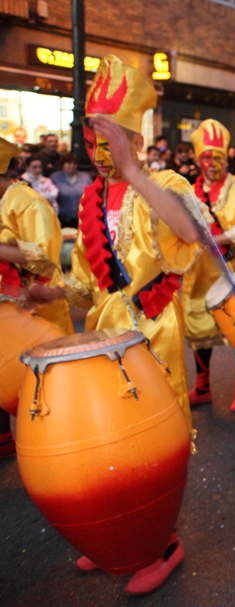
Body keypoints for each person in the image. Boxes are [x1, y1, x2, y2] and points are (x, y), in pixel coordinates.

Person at [26, 55, 207, 595]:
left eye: (113, 141)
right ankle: (125, 536)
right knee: (106, 439)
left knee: (152, 443)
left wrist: (134, 172)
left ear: (134, 138)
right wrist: (50, 291)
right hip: (105, 337)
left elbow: (190, 231)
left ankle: (163, 541)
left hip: (155, 332)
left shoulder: (164, 182)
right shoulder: (91, 199)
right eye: (94, 141)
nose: (102, 152)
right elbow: (87, 280)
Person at [183, 118, 235, 413]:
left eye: (216, 157)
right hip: (200, 273)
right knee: (198, 328)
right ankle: (203, 386)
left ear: (225, 159)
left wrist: (223, 237)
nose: (211, 163)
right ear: (198, 160)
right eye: (206, 157)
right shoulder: (188, 192)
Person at [0, 137, 74, 457]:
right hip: (9, 305)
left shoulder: (28, 201)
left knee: (47, 386)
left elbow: (43, 254)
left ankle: (59, 450)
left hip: (37, 303)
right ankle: (5, 438)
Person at [50, 153, 93, 228]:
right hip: (62, 219)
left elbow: (92, 196)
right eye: (68, 163)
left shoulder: (85, 177)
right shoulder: (55, 177)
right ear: (62, 165)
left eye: (74, 163)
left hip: (83, 218)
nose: (72, 166)